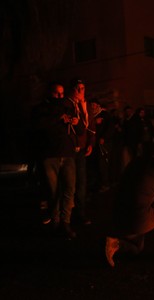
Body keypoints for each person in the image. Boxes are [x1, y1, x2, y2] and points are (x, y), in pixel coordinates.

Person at [31, 82, 79, 239]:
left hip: (67, 153)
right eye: (57, 93)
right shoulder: (41, 109)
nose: (60, 96)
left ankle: (66, 222)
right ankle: (56, 221)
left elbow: (78, 128)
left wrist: (75, 122)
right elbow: (38, 125)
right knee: (53, 191)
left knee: (69, 189)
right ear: (50, 93)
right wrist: (58, 118)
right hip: (50, 154)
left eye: (62, 93)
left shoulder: (67, 106)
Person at [66, 78, 96, 225]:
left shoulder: (86, 106)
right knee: (69, 182)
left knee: (82, 182)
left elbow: (90, 126)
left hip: (81, 149)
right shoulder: (67, 104)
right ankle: (66, 214)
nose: (80, 91)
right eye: (77, 88)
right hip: (69, 150)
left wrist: (90, 143)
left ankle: (80, 212)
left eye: (82, 88)